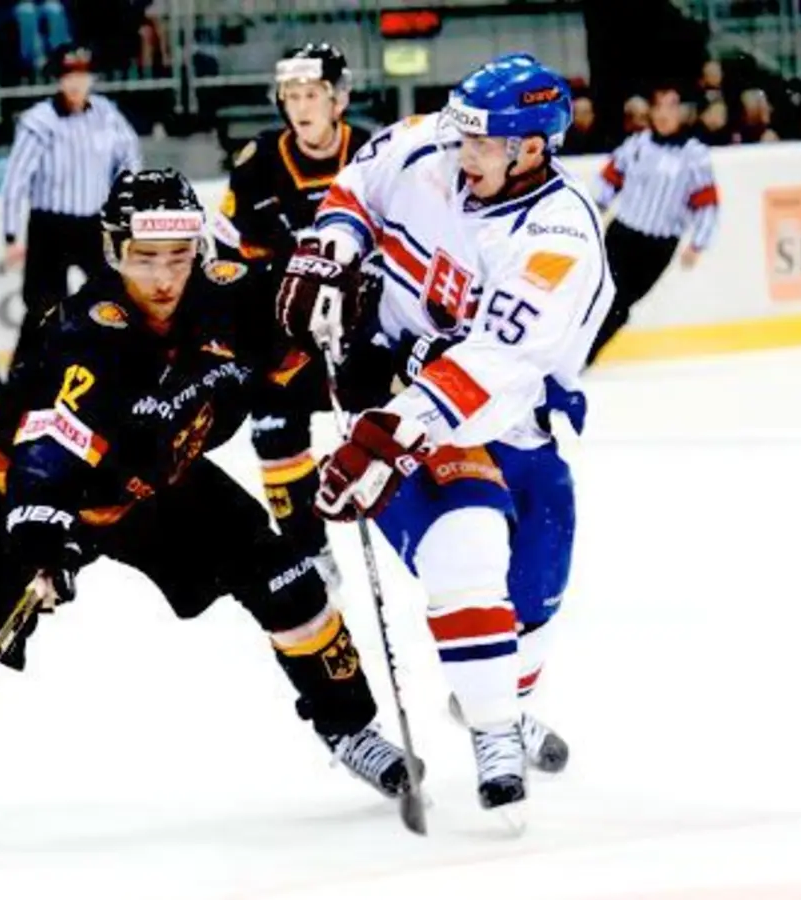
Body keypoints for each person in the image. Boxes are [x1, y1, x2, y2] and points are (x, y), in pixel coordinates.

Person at [0, 169, 412, 829]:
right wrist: (44, 551)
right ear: (113, 252)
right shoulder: (85, 337)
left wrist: (371, 361)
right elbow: (45, 463)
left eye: (179, 254)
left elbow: (311, 369)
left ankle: (350, 729)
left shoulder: (231, 297)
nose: (165, 277)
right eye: (145, 258)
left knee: (287, 581)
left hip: (157, 488)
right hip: (17, 505)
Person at [275, 53, 609, 819]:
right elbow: (360, 186)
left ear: (532, 147)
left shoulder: (559, 236)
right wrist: (335, 245)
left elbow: (494, 366)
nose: (463, 156)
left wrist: (396, 430)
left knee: (534, 603)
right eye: (462, 139)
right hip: (395, 398)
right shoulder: (430, 144)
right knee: (468, 550)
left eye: (484, 145)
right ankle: (496, 738)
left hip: (502, 416)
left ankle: (496, 697)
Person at [209, 42, 373, 587]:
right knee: (274, 428)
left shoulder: (373, 153)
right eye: (292, 96)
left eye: (313, 94)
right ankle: (307, 548)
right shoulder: (257, 165)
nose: (301, 107)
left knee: (410, 423)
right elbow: (229, 259)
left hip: (368, 329)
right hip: (287, 332)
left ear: (338, 99)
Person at [0, 44, 142, 397]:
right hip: (50, 225)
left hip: (93, 225)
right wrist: (11, 236)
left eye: (82, 75)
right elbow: (15, 181)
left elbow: (129, 161)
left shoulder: (107, 115)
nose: (77, 84)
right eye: (70, 76)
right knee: (43, 307)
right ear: (59, 80)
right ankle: (21, 385)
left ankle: (127, 373)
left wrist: (126, 217)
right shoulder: (39, 121)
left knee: (116, 296)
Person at [587, 86, 719, 366]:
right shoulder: (637, 144)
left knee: (620, 307)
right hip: (621, 234)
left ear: (683, 112)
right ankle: (566, 354)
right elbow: (610, 179)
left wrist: (698, 244)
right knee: (593, 296)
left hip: (658, 247)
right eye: (658, 107)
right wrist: (592, 211)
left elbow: (707, 204)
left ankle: (583, 358)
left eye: (671, 107)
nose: (663, 114)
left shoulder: (695, 156)